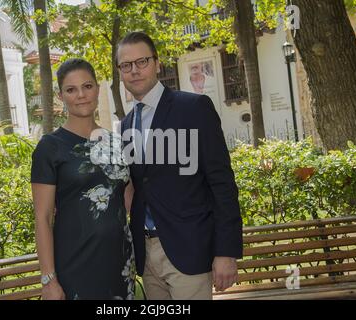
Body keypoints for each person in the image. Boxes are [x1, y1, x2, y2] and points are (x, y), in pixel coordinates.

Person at [118, 32, 243, 300]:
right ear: (119, 72)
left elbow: (221, 183)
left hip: (189, 249)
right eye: (126, 65)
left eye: (141, 61)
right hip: (147, 254)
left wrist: (226, 251)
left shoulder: (194, 108)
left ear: (157, 63)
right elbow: (137, 186)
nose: (134, 71)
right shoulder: (126, 124)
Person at [31, 58, 135, 300]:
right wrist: (48, 280)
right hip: (75, 264)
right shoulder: (50, 147)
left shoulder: (117, 143)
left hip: (120, 262)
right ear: (61, 96)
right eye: (71, 89)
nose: (81, 95)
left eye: (87, 86)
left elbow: (129, 200)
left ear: (98, 89)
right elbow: (43, 218)